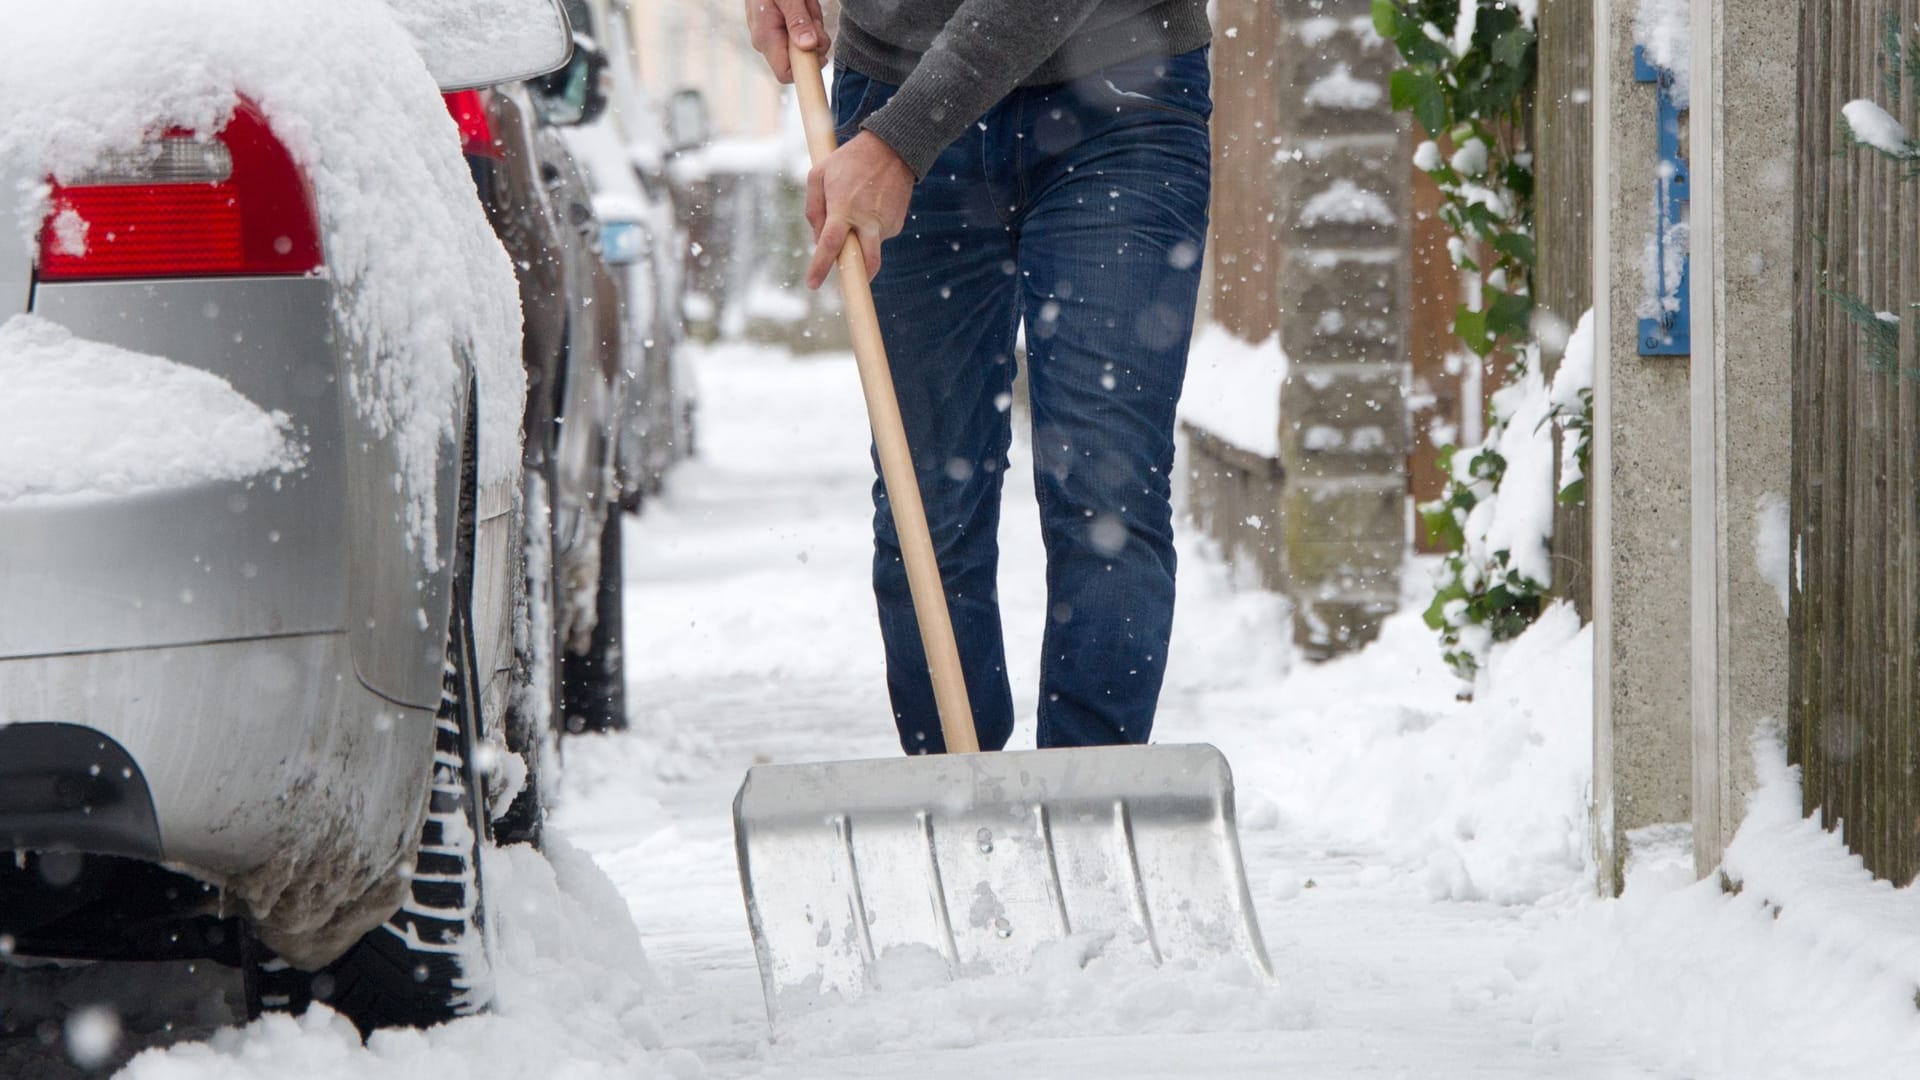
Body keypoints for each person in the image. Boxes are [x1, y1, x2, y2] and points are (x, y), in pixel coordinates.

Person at [746, 0, 1212, 754]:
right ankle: (962, 812)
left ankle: (1087, 812)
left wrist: (901, 142)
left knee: (1107, 490)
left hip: (1120, 99)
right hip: (894, 85)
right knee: (924, 503)